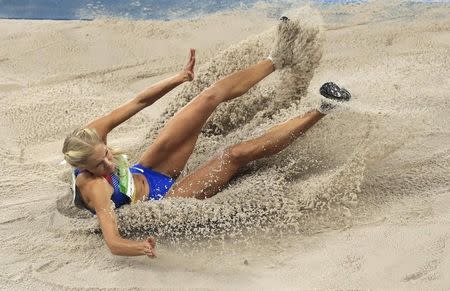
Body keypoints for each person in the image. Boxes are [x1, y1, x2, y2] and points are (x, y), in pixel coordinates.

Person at [62, 17, 351, 258]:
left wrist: (178, 78)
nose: (110, 164)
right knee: (234, 155)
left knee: (208, 97)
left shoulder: (91, 135)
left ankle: (278, 57)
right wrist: (139, 247)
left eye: (108, 155)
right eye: (101, 166)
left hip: (148, 170)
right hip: (163, 197)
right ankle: (324, 108)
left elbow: (139, 101)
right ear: (85, 170)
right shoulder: (94, 188)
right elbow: (113, 241)